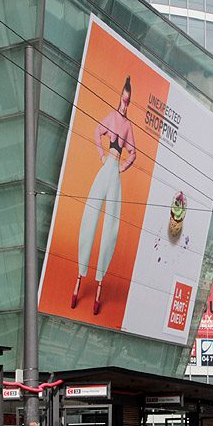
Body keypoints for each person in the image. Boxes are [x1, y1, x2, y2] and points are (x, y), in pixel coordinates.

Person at [71, 76, 137, 316]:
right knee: (90, 216)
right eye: (124, 98)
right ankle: (80, 276)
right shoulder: (111, 117)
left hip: (115, 173)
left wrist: (122, 166)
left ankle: (99, 283)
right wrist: (102, 155)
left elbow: (133, 153)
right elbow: (97, 132)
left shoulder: (129, 127)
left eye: (128, 101)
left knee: (111, 225)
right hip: (105, 167)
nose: (125, 103)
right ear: (120, 96)